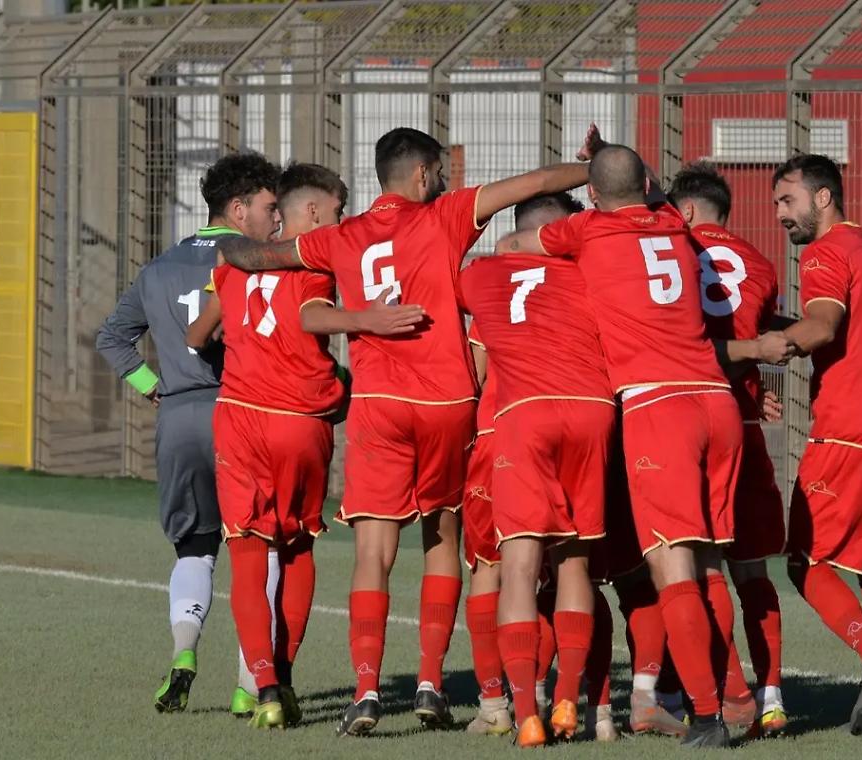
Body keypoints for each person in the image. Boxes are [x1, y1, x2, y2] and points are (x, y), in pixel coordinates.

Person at [214, 127, 591, 735]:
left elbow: (263, 260)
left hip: (379, 403)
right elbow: (539, 184)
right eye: (438, 173)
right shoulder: (444, 215)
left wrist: (230, 243)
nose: (441, 182)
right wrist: (597, 169)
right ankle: (429, 681)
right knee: (442, 535)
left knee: (372, 551)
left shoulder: (342, 234)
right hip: (446, 401)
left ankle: (365, 693)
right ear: (423, 174)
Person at [494, 144, 792, 748]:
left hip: (660, 408)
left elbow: (514, 248)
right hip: (719, 400)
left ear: (596, 196)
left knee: (670, 563)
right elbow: (645, 189)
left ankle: (706, 715)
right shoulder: (675, 223)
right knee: (712, 561)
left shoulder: (589, 229)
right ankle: (738, 695)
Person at [185, 163, 422, 728]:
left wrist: (238, 354)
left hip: (238, 417)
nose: (340, 220)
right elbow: (310, 314)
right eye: (337, 210)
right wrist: (364, 324)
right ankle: (284, 677)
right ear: (312, 213)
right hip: (297, 420)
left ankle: (263, 686)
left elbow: (197, 336)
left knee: (246, 553)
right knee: (294, 550)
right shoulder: (315, 260)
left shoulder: (234, 265)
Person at [95, 152, 281, 713]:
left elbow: (111, 338)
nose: (276, 220)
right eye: (270, 208)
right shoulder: (257, 262)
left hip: (177, 419)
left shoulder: (158, 268)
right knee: (260, 546)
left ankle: (182, 655)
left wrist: (154, 384)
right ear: (238, 207)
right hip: (240, 415)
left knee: (195, 548)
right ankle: (252, 684)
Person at [457, 191, 616, 747]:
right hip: (594, 413)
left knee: (513, 569)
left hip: (518, 419)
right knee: (576, 567)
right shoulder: (596, 275)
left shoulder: (484, 277)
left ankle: (521, 711)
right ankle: (571, 698)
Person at [772, 153, 862, 736]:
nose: (782, 214)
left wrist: (763, 347)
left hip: (846, 432)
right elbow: (842, 324)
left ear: (823, 198)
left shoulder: (824, 253)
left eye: (788, 201)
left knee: (804, 562)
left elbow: (824, 326)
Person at [669, 161, 788, 737]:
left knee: (695, 562)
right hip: (742, 421)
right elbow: (755, 336)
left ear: (686, 211)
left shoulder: (666, 252)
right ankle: (771, 695)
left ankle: (724, 690)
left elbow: (684, 337)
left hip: (679, 415)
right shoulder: (762, 265)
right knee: (752, 568)